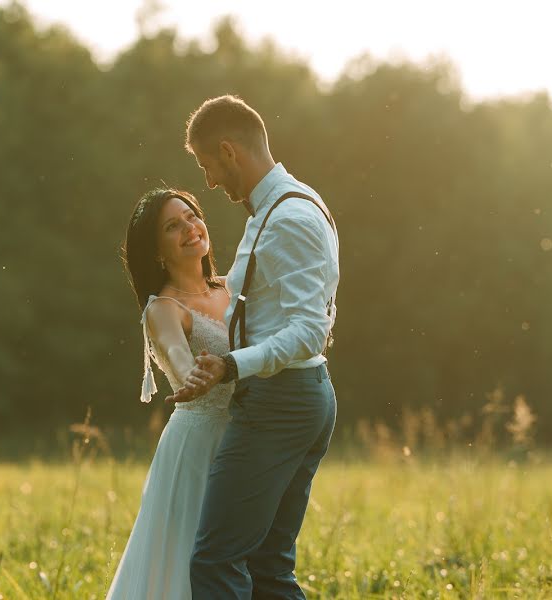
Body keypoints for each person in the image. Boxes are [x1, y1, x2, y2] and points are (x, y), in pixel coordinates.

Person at [171, 95, 340, 599]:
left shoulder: (289, 217)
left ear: (229, 151)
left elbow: (311, 328)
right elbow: (284, 303)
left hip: (280, 401)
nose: (209, 183)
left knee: (215, 561)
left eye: (207, 166)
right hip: (294, 396)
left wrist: (229, 365)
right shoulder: (282, 205)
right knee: (267, 570)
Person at [107, 188, 234, 600]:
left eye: (191, 216)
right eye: (171, 226)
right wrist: (192, 376)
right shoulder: (163, 308)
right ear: (157, 251)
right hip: (197, 447)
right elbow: (179, 360)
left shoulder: (235, 288)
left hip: (247, 437)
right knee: (189, 561)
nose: (189, 228)